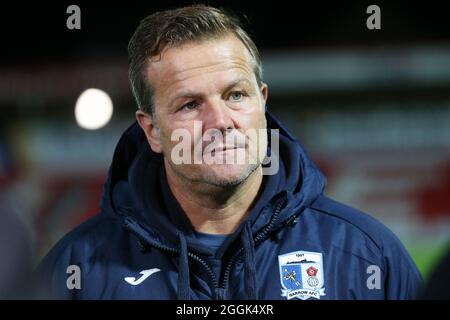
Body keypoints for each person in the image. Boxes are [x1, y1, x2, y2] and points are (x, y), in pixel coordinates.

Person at [36, 4, 422, 300]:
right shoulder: (77, 268)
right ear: (152, 130)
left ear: (263, 102)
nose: (220, 121)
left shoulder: (368, 255)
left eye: (236, 95)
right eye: (190, 104)